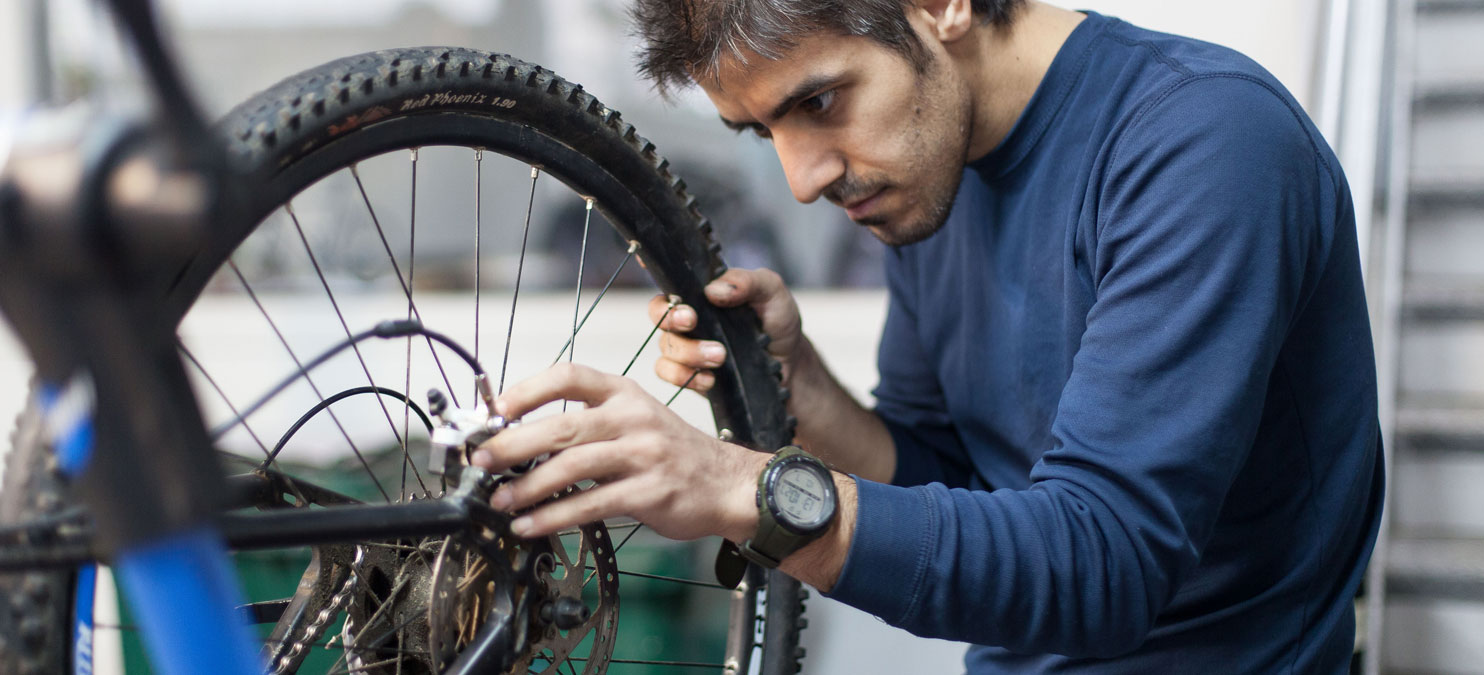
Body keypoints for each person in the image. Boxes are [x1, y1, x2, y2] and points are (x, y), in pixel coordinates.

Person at [471, 0, 1385, 671]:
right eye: (763, 133)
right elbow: (952, 475)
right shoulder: (924, 178)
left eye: (820, 102)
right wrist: (808, 388)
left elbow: (1107, 564)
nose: (801, 179)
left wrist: (743, 486)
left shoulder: (1206, 143)